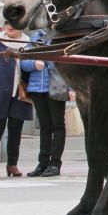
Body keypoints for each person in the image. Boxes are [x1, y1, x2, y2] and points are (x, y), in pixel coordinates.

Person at [0, 26, 34, 178]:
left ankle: (12, 164)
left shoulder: (28, 44)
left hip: (20, 92)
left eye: (14, 24)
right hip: (0, 92)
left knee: (16, 130)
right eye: (8, 23)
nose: (10, 26)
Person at [21, 28, 66, 177]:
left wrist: (45, 60)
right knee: (45, 127)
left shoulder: (62, 36)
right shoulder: (36, 38)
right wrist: (34, 64)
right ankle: (43, 163)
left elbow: (64, 62)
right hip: (37, 88)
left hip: (56, 86)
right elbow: (24, 62)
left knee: (57, 125)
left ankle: (55, 164)